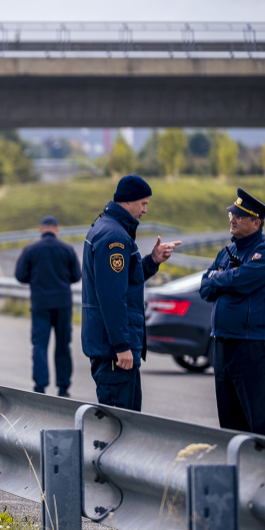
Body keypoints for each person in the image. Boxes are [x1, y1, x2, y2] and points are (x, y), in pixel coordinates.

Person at [81, 175, 181, 412]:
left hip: (111, 346)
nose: (145, 210)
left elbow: (125, 281)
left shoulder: (109, 228)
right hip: (114, 350)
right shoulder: (114, 237)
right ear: (128, 202)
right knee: (120, 424)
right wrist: (121, 345)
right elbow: (112, 297)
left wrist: (153, 260)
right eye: (143, 203)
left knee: (128, 422)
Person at [199, 189, 265, 439]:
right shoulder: (227, 253)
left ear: (256, 222)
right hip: (224, 344)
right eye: (232, 213)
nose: (232, 219)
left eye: (239, 215)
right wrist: (221, 279)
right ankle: (241, 473)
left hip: (253, 346)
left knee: (261, 423)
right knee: (231, 422)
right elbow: (205, 288)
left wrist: (218, 278)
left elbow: (242, 280)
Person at [14, 216, 82, 397]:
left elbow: (20, 275)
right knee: (63, 346)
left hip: (40, 304)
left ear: (41, 229)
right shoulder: (67, 249)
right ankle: (63, 387)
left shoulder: (31, 249)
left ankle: (40, 386)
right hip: (63, 304)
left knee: (39, 345)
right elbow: (77, 276)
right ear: (56, 230)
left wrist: (36, 280)